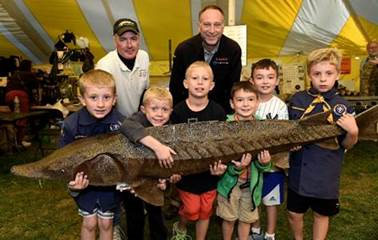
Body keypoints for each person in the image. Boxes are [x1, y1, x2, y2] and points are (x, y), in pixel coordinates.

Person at [287, 48, 359, 240]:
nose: (323, 79)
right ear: (309, 75)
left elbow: (347, 145)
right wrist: (289, 144)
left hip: (326, 171)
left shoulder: (343, 106)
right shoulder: (296, 100)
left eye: (329, 74)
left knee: (321, 214)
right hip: (299, 169)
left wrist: (353, 132)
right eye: (317, 74)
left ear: (337, 74)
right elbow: (289, 133)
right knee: (294, 213)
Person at [60, 69, 124, 240]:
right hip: (84, 182)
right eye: (93, 97)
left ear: (115, 99)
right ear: (82, 99)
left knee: (106, 223)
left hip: (109, 183)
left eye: (106, 97)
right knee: (89, 223)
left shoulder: (121, 123)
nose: (101, 104)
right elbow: (64, 158)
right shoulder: (72, 125)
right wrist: (73, 183)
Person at [170, 61, 227, 240]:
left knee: (206, 210)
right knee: (191, 209)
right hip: (186, 175)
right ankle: (180, 225)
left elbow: (223, 143)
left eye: (205, 79)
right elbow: (172, 143)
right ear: (186, 83)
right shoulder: (177, 111)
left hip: (209, 173)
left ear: (212, 85)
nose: (200, 83)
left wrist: (221, 166)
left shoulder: (218, 111)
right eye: (195, 78)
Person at [119, 86, 178, 240]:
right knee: (134, 214)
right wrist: (157, 146)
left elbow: (171, 157)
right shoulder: (137, 119)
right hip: (133, 178)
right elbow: (126, 126)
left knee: (156, 213)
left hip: (155, 179)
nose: (159, 114)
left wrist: (166, 180)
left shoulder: (170, 128)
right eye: (154, 108)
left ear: (171, 111)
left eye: (165, 109)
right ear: (143, 109)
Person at [216, 81, 272, 240]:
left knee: (246, 219)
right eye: (240, 100)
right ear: (232, 103)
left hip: (252, 184)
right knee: (229, 218)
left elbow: (267, 165)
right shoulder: (224, 126)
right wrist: (237, 168)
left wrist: (265, 163)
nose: (245, 104)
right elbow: (221, 158)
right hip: (229, 183)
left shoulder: (264, 127)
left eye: (250, 99)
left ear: (257, 102)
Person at [169, 4, 242, 113]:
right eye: (207, 24)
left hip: (221, 113)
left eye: (217, 25)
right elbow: (176, 89)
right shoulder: (184, 50)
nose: (212, 30)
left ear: (223, 26)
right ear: (199, 26)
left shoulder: (233, 50)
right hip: (188, 113)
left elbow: (233, 88)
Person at [248, 59, 289, 240]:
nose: (265, 81)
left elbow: (283, 135)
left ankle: (270, 233)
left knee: (271, 200)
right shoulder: (249, 102)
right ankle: (255, 229)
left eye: (270, 77)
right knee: (252, 196)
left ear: (277, 81)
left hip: (273, 163)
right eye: (260, 77)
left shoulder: (280, 106)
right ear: (252, 81)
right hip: (252, 164)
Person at [96, 18, 149, 117]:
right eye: (123, 39)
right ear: (114, 40)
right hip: (115, 123)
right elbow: (102, 104)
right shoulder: (104, 66)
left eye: (133, 39)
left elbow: (144, 90)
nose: (129, 45)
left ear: (139, 38)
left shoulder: (144, 57)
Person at [5, 59, 39, 147]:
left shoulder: (15, 74)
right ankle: (20, 142)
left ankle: (11, 140)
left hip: (9, 95)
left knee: (12, 118)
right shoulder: (29, 74)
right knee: (22, 118)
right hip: (20, 95)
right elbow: (35, 87)